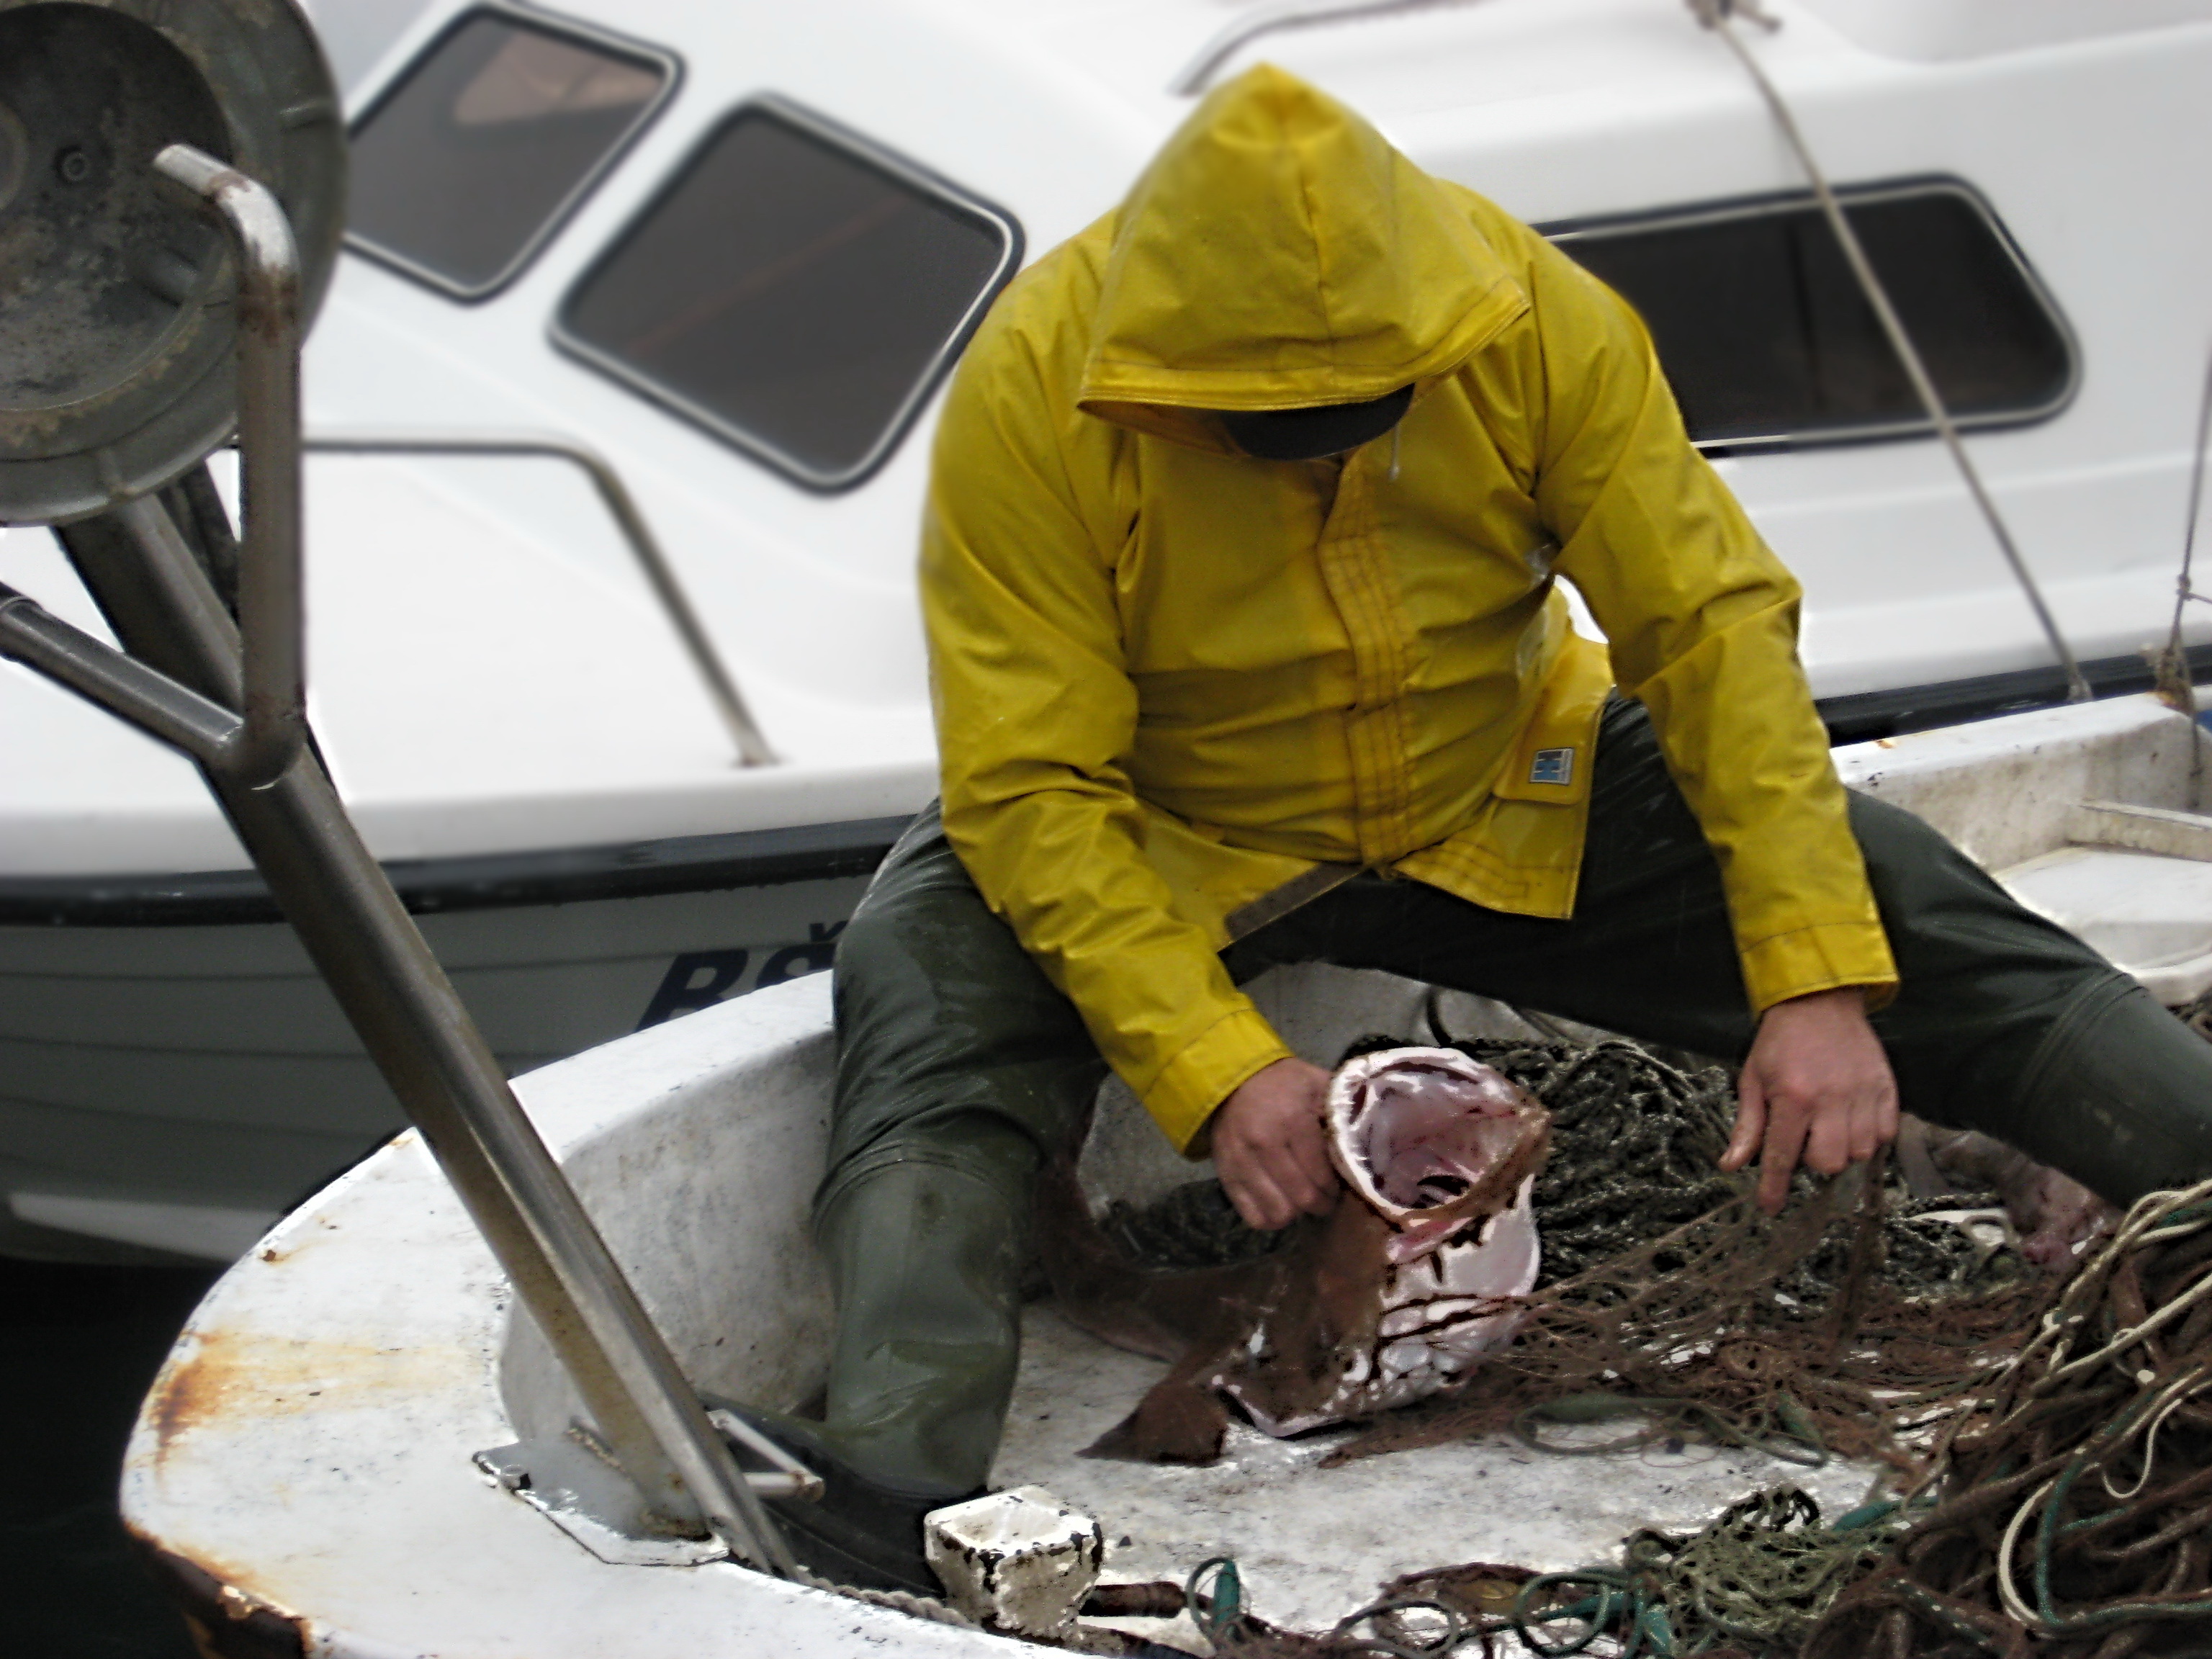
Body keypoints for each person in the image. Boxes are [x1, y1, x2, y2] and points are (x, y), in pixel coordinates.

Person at [731, 64, 2212, 1589]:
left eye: (1358, 412)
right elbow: (1030, 787)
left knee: (1916, 912)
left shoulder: (1540, 318)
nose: (1315, 445)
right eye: (1265, 426)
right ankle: (895, 1466)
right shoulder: (1033, 387)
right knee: (923, 969)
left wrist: (1815, 981)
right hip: (1180, 828)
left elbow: (1709, 632)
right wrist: (1215, 1067)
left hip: (1505, 785)